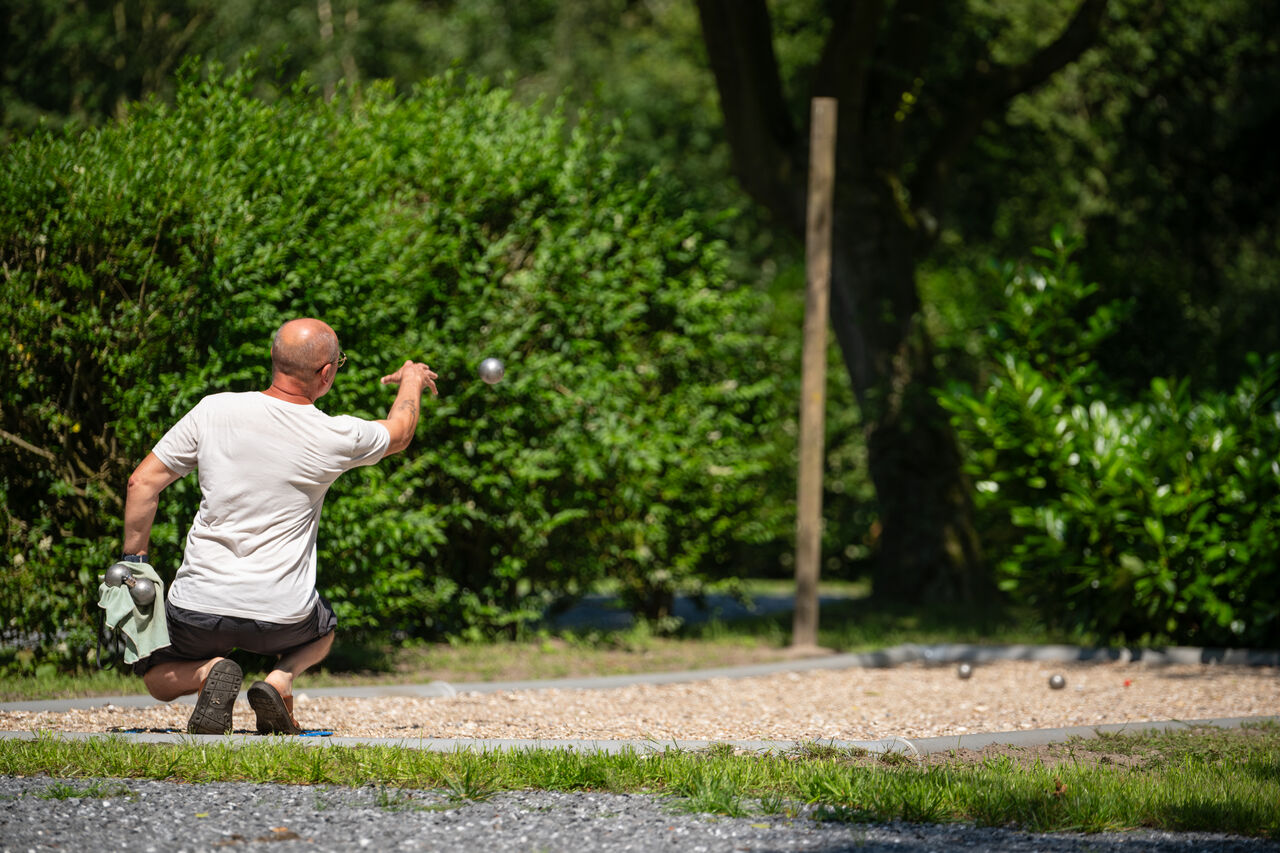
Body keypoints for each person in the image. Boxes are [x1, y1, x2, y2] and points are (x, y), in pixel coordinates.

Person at [121, 318, 438, 735]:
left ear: (273, 360)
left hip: (200, 605)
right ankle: (281, 677)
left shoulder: (214, 409)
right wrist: (411, 379)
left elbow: (141, 482)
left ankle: (209, 672)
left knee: (156, 675)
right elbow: (400, 432)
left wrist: (135, 561)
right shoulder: (335, 434)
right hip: (284, 616)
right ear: (326, 374)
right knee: (324, 627)